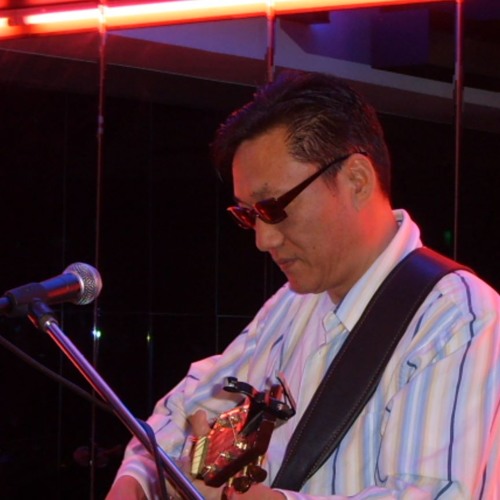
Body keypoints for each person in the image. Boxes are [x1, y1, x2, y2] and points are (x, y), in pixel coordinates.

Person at [107, 71, 500, 499]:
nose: (262, 239)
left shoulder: (458, 316)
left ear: (356, 180)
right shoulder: (293, 304)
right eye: (248, 215)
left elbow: (435, 493)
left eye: (273, 208)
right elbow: (188, 405)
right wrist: (138, 479)